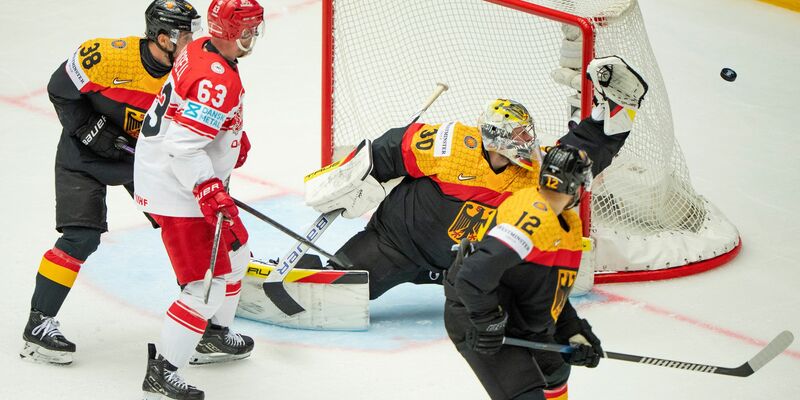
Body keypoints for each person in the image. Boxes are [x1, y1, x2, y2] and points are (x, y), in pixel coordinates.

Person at [307, 56, 649, 301]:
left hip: (469, 266)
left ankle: (617, 109)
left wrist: (609, 125)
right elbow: (391, 147)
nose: (526, 142)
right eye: (517, 135)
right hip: (397, 244)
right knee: (337, 289)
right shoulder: (452, 144)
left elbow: (576, 159)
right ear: (494, 137)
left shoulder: (529, 169)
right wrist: (352, 177)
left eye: (525, 134)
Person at [20, 0, 201, 366]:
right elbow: (59, 89)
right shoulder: (106, 57)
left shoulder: (190, 74)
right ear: (163, 37)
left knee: (181, 227)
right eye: (186, 35)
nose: (193, 42)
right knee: (80, 237)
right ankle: (38, 324)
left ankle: (203, 319)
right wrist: (91, 131)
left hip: (141, 162)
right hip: (83, 159)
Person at [133, 0, 263, 398]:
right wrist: (208, 190)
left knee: (237, 252)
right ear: (228, 32)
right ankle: (164, 369)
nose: (252, 37)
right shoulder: (217, 79)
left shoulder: (198, 47)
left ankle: (213, 334)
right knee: (205, 287)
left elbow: (183, 113)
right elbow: (183, 147)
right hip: (177, 190)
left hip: (182, 177)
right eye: (246, 30)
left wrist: (230, 136)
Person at [444, 143, 601, 400]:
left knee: (555, 371)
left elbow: (548, 288)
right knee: (524, 395)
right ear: (576, 186)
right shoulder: (532, 217)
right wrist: (488, 324)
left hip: (515, 313)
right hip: (476, 315)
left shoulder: (566, 224)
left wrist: (571, 329)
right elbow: (473, 276)